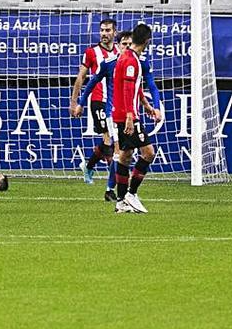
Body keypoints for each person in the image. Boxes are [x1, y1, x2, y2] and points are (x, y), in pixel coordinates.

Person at [72, 31, 162, 202]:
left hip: (132, 113)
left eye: (129, 44)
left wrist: (151, 106)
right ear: (118, 46)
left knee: (125, 154)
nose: (127, 47)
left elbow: (144, 87)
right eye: (124, 44)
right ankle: (117, 193)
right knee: (121, 152)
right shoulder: (109, 63)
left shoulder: (139, 62)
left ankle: (118, 193)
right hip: (113, 114)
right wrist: (81, 103)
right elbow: (92, 82)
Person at [111, 24, 156, 214]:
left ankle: (121, 201)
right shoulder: (131, 61)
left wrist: (146, 105)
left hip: (122, 113)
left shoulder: (128, 57)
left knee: (126, 155)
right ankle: (131, 193)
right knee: (148, 153)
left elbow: (135, 87)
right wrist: (131, 115)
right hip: (127, 115)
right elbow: (128, 89)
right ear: (147, 41)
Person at [69, 18, 118, 184]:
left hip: (115, 102)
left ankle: (88, 166)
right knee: (108, 139)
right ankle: (116, 182)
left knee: (114, 139)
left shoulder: (120, 52)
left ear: (114, 32)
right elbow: (81, 76)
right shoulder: (91, 52)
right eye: (102, 30)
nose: (104, 34)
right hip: (98, 100)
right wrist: (74, 102)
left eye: (108, 30)